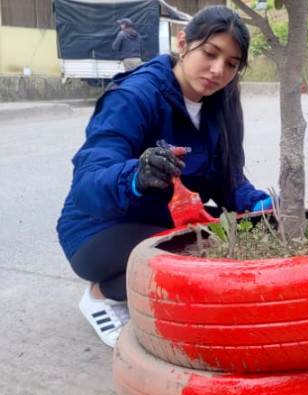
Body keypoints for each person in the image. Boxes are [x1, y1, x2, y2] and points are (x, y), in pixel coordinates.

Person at [57, 6, 272, 348]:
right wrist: (136, 176)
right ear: (183, 42)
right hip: (98, 228)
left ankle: (151, 292)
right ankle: (104, 295)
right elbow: (87, 183)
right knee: (200, 249)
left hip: (168, 218)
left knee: (248, 237)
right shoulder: (136, 95)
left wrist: (261, 205)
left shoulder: (221, 100)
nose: (218, 70)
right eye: (210, 53)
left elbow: (227, 180)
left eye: (231, 64)